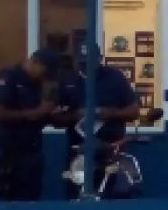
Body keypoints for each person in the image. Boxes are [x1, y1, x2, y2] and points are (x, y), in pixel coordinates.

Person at [55, 40, 141, 198]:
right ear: (76, 61)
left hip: (110, 147)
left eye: (90, 63)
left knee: (109, 194)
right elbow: (56, 118)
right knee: (75, 195)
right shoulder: (67, 80)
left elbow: (134, 111)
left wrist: (109, 113)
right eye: (82, 63)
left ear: (100, 59)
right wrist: (75, 115)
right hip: (78, 149)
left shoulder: (115, 77)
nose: (86, 67)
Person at [0, 48, 60, 201]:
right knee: (11, 200)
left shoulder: (35, 84)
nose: (45, 78)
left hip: (33, 150)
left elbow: (39, 116)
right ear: (36, 63)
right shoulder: (9, 77)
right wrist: (36, 112)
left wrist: (50, 113)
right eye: (44, 72)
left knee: (32, 198)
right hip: (12, 153)